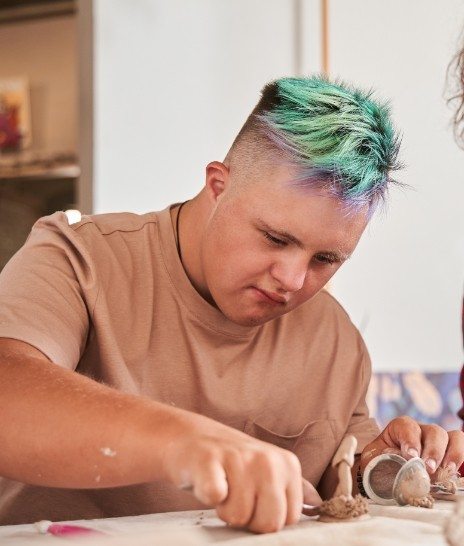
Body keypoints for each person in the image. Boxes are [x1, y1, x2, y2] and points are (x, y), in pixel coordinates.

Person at [0, 76, 462, 534]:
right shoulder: (77, 258)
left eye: (325, 259)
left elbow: (343, 483)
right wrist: (189, 442)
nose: (294, 281)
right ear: (218, 184)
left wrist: (386, 466)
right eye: (275, 238)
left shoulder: (335, 340)